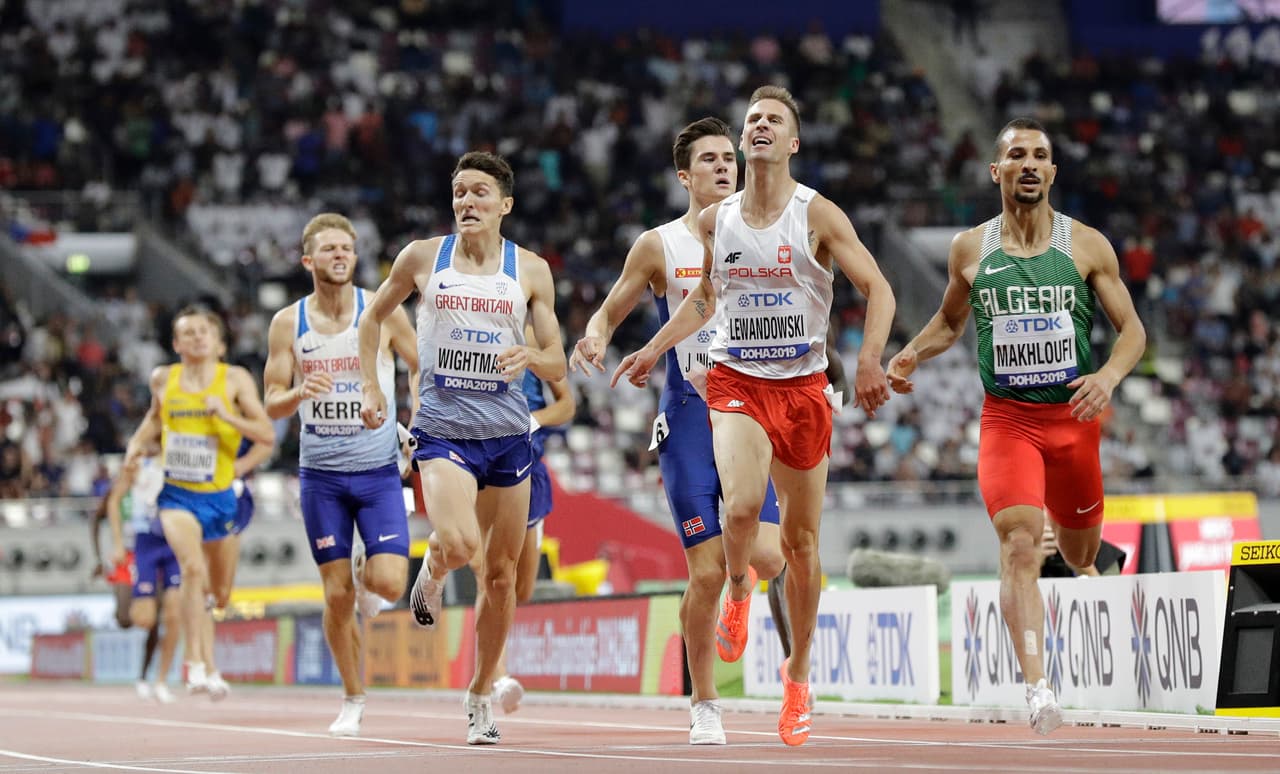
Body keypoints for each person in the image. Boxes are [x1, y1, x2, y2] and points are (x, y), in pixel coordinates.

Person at [612, 87, 895, 747]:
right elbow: (707, 297)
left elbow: (879, 288)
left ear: (792, 143)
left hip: (803, 389)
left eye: (774, 120)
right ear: (745, 141)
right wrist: (653, 348)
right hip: (736, 380)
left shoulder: (817, 215)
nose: (761, 125)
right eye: (753, 120)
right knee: (739, 509)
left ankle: (798, 675)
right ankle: (738, 590)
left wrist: (869, 359)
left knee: (800, 546)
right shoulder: (718, 222)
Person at [885, 117, 1146, 735]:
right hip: (1009, 423)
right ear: (996, 170)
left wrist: (1108, 377)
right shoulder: (970, 249)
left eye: (1040, 155)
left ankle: (1069, 533)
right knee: (1021, 545)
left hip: (1074, 421)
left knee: (1080, 552)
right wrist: (911, 353)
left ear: (1052, 172)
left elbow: (1133, 331)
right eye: (1017, 155)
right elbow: (951, 322)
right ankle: (1039, 689)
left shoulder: (1087, 246)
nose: (1029, 164)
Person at [571, 116, 789, 746]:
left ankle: (741, 590)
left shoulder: (769, 232)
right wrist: (596, 335)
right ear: (684, 176)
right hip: (690, 414)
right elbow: (612, 308)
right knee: (706, 571)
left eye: (728, 158)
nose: (723, 167)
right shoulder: (659, 244)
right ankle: (705, 703)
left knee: (768, 556)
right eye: (709, 160)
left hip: (749, 409)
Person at [357, 151, 566, 746]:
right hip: (444, 429)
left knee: (501, 579)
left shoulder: (530, 270)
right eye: (459, 192)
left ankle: (479, 695)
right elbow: (371, 320)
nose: (467, 202)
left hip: (508, 435)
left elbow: (557, 362)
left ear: (505, 204)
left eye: (479, 193)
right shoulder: (424, 258)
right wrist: (373, 386)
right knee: (459, 544)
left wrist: (531, 356)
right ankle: (433, 567)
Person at [263, 212, 419, 737]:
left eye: (346, 249)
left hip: (377, 472)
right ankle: (353, 698)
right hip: (322, 477)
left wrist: (415, 417)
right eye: (329, 249)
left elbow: (419, 363)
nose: (339, 256)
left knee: (389, 582)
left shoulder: (381, 309)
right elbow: (271, 401)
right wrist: (297, 393)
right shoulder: (288, 323)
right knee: (336, 597)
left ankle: (362, 563)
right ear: (308, 260)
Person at [123, 305, 276, 699]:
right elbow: (154, 419)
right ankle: (194, 664)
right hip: (177, 496)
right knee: (192, 569)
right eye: (187, 333)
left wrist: (228, 424)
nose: (196, 338)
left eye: (203, 332)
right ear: (176, 343)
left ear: (218, 343)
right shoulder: (163, 378)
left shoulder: (235, 379)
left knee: (218, 593)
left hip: (221, 497)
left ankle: (209, 663)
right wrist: (135, 445)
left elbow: (265, 435)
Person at [468, 365, 575, 714]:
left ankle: (489, 674)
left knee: (521, 588)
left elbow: (567, 405)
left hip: (529, 468)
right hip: (483, 461)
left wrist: (532, 420)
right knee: (490, 576)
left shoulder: (538, 342)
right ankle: (494, 679)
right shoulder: (476, 337)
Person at [100, 449, 179, 703]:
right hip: (135, 549)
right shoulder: (136, 463)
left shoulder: (179, 458)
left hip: (170, 543)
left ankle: (154, 679)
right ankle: (148, 675)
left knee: (167, 616)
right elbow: (109, 505)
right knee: (130, 618)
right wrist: (115, 544)